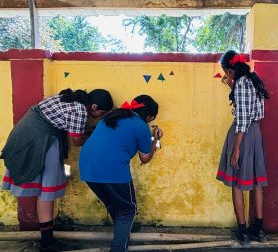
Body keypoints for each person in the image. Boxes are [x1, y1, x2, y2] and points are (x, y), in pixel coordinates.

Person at [1, 88, 113, 251]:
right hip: (39, 140)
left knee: (44, 191)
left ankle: (47, 240)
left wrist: (87, 131)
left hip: (27, 134)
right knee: (47, 191)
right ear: (94, 107)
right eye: (101, 114)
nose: (99, 118)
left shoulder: (69, 99)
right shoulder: (80, 110)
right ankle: (47, 243)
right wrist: (95, 133)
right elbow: (78, 141)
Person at [79, 95, 163, 252]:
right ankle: (118, 247)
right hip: (112, 170)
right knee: (127, 210)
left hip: (87, 167)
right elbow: (145, 158)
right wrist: (154, 140)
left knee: (113, 203)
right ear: (149, 116)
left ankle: (123, 229)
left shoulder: (112, 116)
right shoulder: (141, 126)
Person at [216, 50, 269, 247]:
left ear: (230, 70)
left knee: (238, 184)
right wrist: (231, 85)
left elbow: (242, 119)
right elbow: (253, 110)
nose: (226, 76)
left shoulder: (240, 85)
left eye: (226, 72)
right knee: (256, 183)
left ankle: (243, 232)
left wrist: (236, 149)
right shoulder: (253, 80)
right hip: (256, 134)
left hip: (242, 135)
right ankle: (260, 229)